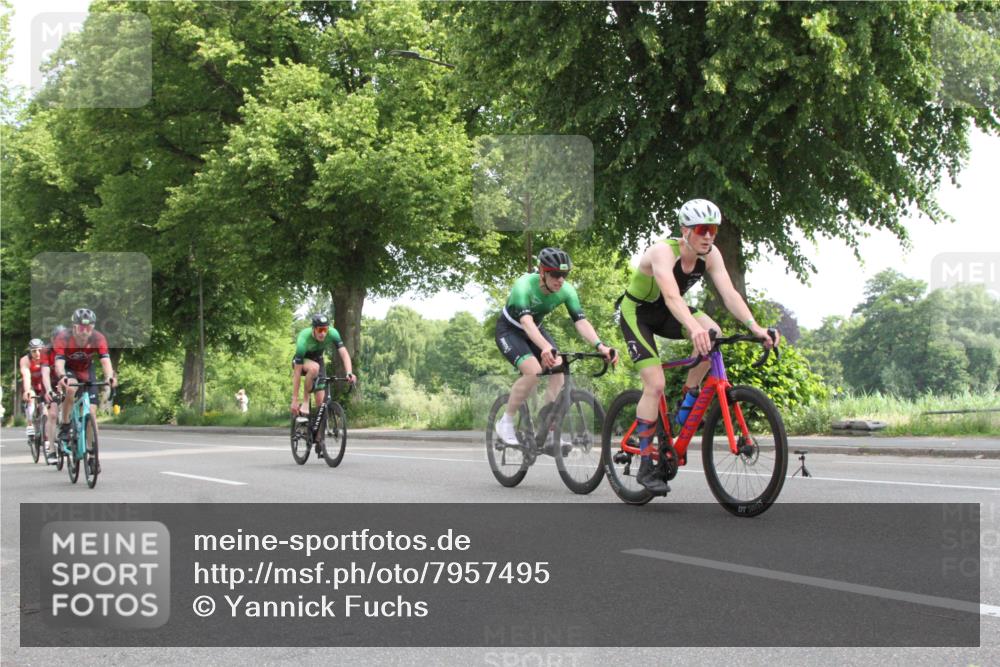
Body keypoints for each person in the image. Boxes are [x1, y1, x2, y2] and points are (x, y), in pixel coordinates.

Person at [617, 199, 779, 495]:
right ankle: (644, 463)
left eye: (713, 230)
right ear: (685, 230)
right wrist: (693, 328)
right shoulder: (662, 252)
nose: (708, 236)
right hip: (638, 314)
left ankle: (688, 396)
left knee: (713, 334)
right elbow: (671, 296)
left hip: (667, 312)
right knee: (654, 384)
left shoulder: (711, 254)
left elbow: (729, 294)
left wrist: (755, 328)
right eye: (702, 229)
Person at [494, 247, 618, 450]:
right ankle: (506, 422)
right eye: (555, 274)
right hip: (510, 330)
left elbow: (580, 321)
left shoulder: (566, 291)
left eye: (565, 274)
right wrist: (544, 347)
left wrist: (600, 345)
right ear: (542, 272)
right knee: (533, 372)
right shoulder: (523, 285)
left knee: (559, 369)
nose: (560, 280)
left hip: (536, 329)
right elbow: (526, 322)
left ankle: (548, 429)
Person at [52, 309, 118, 458]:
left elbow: (105, 360)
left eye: (88, 328)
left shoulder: (98, 338)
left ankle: (91, 452)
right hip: (69, 369)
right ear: (74, 327)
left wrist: (109, 377)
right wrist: (62, 376)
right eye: (81, 328)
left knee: (92, 414)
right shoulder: (64, 338)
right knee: (71, 388)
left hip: (87, 370)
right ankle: (66, 424)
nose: (85, 332)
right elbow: (59, 362)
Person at [290, 314, 356, 454]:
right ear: (313, 329)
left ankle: (319, 439)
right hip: (302, 362)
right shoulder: (303, 338)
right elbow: (296, 374)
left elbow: (344, 353)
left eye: (325, 330)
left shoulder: (333, 333)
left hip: (318, 360)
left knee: (322, 403)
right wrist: (295, 400)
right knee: (314, 368)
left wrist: (349, 372)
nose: (323, 333)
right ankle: (306, 402)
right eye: (320, 330)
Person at [18, 338, 48, 447]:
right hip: (31, 384)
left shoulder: (47, 358)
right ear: (30, 351)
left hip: (43, 384)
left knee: (46, 409)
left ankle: (46, 433)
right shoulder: (25, 360)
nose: (37, 353)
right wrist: (27, 391)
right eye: (34, 351)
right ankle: (30, 424)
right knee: (30, 398)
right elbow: (26, 376)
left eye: (40, 350)